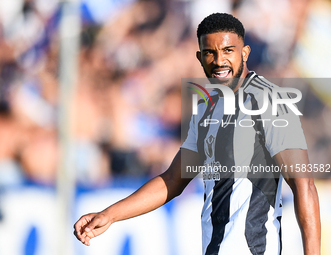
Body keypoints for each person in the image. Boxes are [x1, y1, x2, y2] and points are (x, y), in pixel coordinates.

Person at [74, 13, 321, 255]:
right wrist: (109, 215)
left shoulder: (269, 102)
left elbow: (304, 185)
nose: (219, 60)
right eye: (210, 53)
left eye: (227, 51)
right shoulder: (206, 109)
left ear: (244, 53)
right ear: (199, 57)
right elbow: (173, 180)